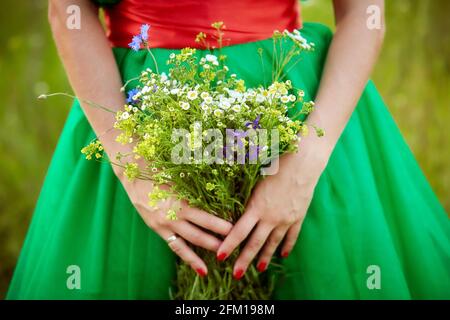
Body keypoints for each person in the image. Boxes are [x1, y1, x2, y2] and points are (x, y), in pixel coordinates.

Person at [7, 0, 450, 299]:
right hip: (137, 110)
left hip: (296, 111)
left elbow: (363, 12)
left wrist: (304, 165)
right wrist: (137, 170)